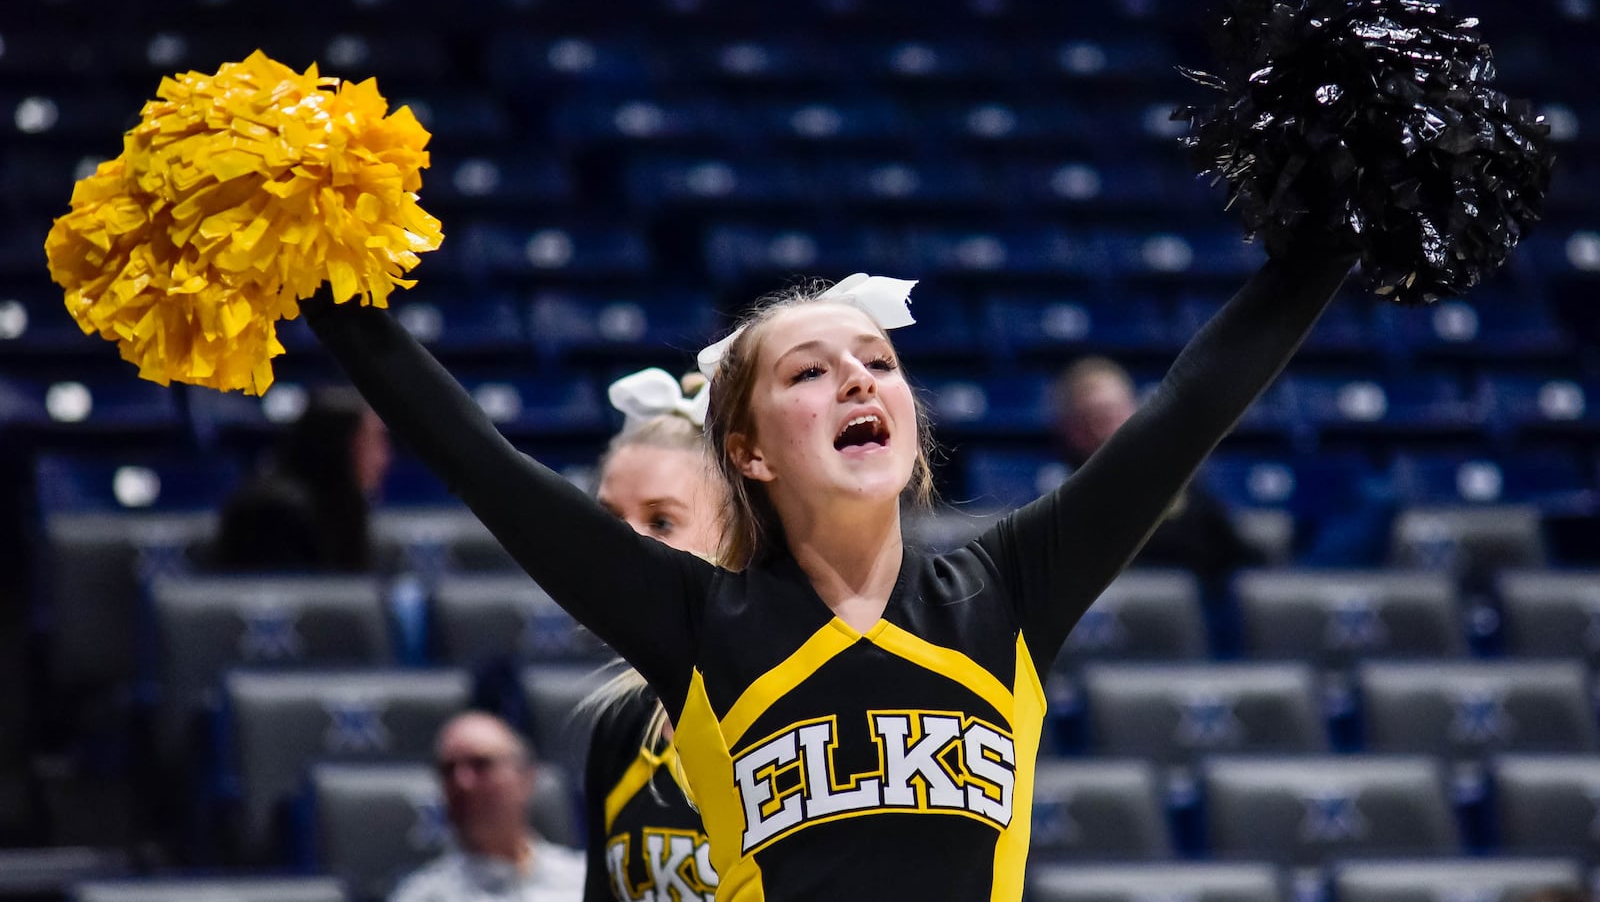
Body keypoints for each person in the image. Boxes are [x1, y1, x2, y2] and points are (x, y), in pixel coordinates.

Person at [302, 250, 1353, 899]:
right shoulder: (695, 621)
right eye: (810, 371)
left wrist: (1335, 231)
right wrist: (322, 272)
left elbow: (1186, 409)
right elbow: (478, 459)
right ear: (749, 450)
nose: (858, 375)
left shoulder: (1008, 588)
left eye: (878, 363)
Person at [583, 368, 723, 902]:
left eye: (661, 521)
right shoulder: (622, 721)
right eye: (609, 520)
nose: (626, 545)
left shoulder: (808, 706)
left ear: (739, 531)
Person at [1050, 355, 1265, 587]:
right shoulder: (1063, 499)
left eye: (1115, 413)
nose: (1109, 430)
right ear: (1072, 430)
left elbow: (1231, 549)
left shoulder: (1174, 475)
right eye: (1095, 418)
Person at [390, 710, 585, 902]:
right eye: (448, 770)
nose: (462, 782)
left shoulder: (585, 877)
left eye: (480, 765)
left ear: (526, 778)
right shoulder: (422, 896)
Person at [208, 386, 391, 571]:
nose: (383, 459)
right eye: (372, 442)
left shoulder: (345, 509)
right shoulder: (272, 515)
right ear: (339, 446)